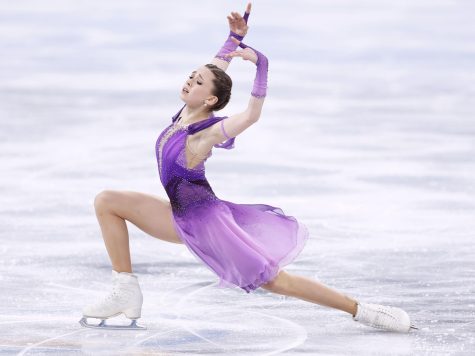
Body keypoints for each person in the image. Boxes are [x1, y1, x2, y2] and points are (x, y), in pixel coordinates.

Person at [80, 3, 416, 333]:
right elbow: (217, 68)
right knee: (107, 201)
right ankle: (125, 288)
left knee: (275, 281)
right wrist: (233, 38)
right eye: (191, 76)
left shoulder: (205, 133)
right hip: (179, 213)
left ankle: (362, 310)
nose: (189, 82)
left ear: (210, 100)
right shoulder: (186, 111)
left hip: (208, 222)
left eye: (197, 83)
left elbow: (250, 116)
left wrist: (262, 65)